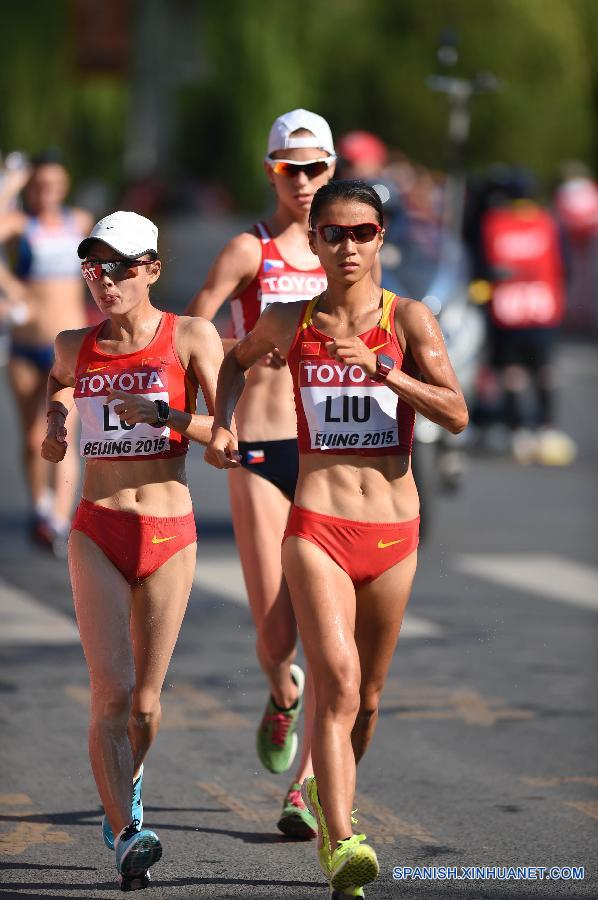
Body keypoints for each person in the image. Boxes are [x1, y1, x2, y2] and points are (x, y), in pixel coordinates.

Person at [205, 180, 468, 897]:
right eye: (334, 234)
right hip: (316, 523)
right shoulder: (289, 320)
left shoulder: (408, 319)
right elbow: (229, 360)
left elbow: (456, 412)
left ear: (382, 238)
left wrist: (388, 374)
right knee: (339, 681)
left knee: (371, 696)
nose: (347, 246)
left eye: (362, 233)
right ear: (314, 239)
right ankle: (342, 841)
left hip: (393, 530)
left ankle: (328, 796)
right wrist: (223, 422)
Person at [41, 211, 223, 890]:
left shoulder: (192, 337)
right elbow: (62, 382)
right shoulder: (73, 344)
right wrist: (55, 420)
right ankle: (125, 833)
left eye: (119, 266)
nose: (105, 280)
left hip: (171, 533)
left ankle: (130, 785)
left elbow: (230, 442)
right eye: (94, 267)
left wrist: (169, 417)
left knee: (145, 703)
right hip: (100, 528)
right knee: (110, 693)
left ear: (151, 268)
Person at [186, 109, 336, 838]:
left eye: (316, 169)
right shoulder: (248, 251)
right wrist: (220, 402)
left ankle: (304, 791)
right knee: (277, 634)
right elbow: (192, 332)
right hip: (258, 447)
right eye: (290, 169)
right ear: (271, 171)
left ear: (334, 170)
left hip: (329, 457)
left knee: (324, 625)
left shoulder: (350, 250)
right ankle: (282, 692)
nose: (303, 182)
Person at [0, 149, 93, 554]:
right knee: (32, 436)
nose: (46, 192)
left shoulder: (80, 222)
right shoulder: (21, 223)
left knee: (62, 431)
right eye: (38, 186)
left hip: (68, 348)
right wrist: (10, 186)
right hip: (25, 346)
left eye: (53, 184)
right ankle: (40, 506)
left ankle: (57, 519)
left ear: (65, 184)